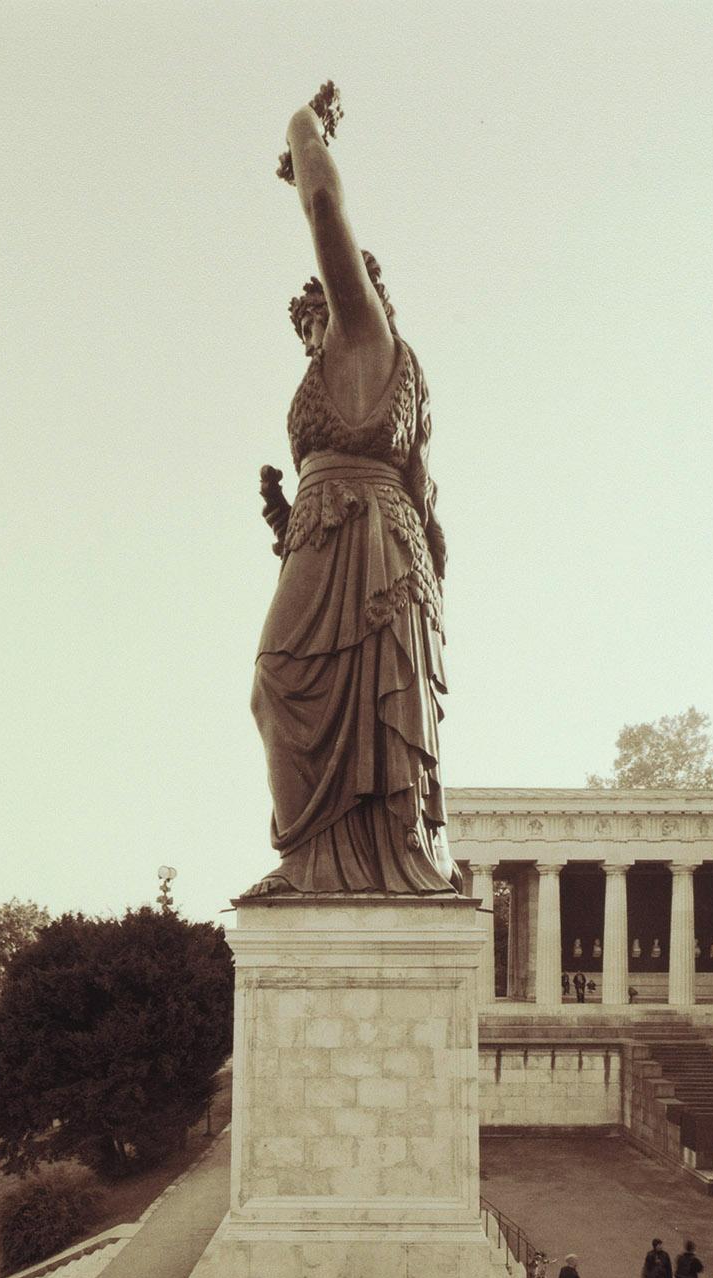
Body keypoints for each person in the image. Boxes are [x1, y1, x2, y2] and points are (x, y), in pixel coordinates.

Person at [244, 95, 457, 899]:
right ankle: (321, 863)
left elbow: (325, 202)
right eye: (302, 328)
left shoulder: (365, 338)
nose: (311, 336)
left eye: (316, 315)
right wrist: (289, 517)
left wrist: (301, 130)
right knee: (299, 691)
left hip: (367, 544)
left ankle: (329, 864)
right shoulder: (348, 362)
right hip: (336, 536)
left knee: (277, 680)